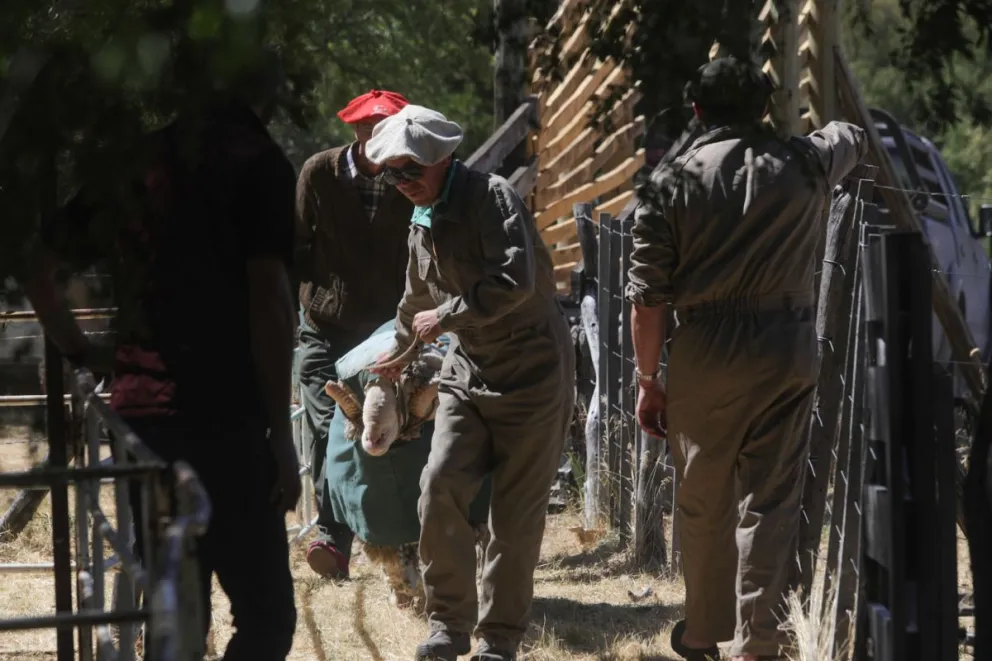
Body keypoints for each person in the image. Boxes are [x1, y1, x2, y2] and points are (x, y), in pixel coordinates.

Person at [18, 52, 301, 660]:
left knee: (174, 618)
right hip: (228, 420)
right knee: (267, 618)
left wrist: (81, 348)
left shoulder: (136, 164)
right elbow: (269, 302)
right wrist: (282, 435)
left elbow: (39, 268)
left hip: (143, 425)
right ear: (265, 95)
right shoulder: (259, 163)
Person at [625, 56, 868, 661]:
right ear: (764, 107)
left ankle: (703, 632)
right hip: (786, 343)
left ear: (697, 109)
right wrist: (832, 131)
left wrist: (649, 380)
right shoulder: (805, 162)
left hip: (705, 347)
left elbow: (647, 299)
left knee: (703, 496)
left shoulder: (669, 184)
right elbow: (849, 136)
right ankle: (757, 641)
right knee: (771, 499)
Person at [366, 104, 575, 661]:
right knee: (439, 485)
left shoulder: (492, 198)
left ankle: (498, 639)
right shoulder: (421, 218)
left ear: (444, 159)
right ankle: (448, 627)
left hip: (533, 369)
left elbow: (515, 280)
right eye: (393, 174)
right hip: (467, 370)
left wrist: (446, 317)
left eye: (412, 170)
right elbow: (413, 302)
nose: (403, 183)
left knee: (514, 513)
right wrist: (397, 355)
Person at [294, 89, 413, 579]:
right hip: (324, 324)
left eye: (386, 127)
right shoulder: (319, 172)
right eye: (368, 127)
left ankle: (394, 534)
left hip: (386, 333)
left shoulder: (411, 177)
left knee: (388, 430)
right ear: (355, 129)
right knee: (330, 428)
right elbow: (296, 243)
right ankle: (332, 536)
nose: (376, 136)